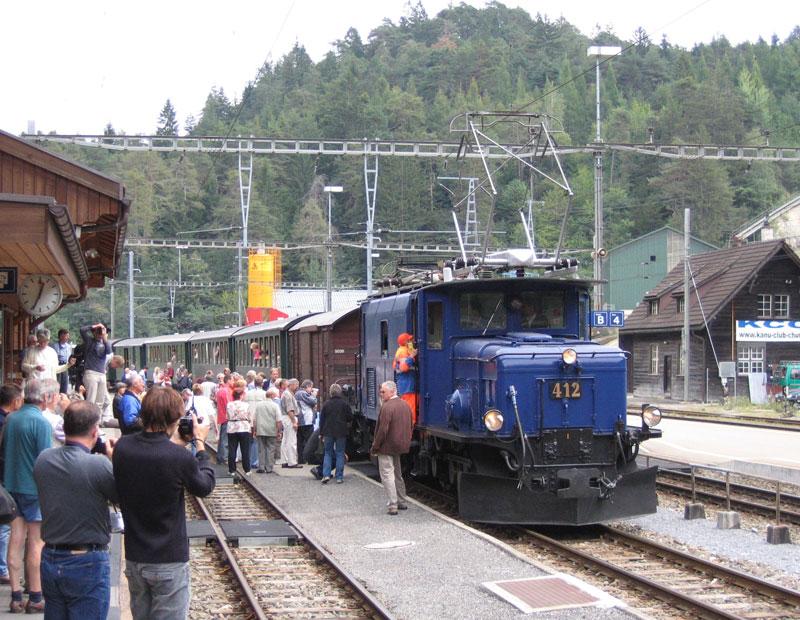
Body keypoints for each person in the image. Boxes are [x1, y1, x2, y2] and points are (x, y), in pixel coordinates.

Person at [113, 387, 214, 620]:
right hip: (169, 558)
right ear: (175, 418)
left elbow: (154, 455)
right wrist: (199, 444)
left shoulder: (123, 448)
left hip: (136, 555)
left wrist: (174, 441)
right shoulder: (179, 457)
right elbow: (204, 486)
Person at [34, 400, 119, 618]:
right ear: (95, 430)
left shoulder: (43, 460)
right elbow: (122, 498)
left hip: (51, 557)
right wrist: (113, 460)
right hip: (86, 560)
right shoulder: (98, 465)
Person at [2, 379, 53, 612]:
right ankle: (35, 596)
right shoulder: (41, 423)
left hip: (12, 487)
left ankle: (15, 596)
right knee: (36, 543)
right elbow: (44, 461)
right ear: (45, 398)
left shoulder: (11, 419)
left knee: (15, 539)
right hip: (33, 489)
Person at [371, 381, 413, 516]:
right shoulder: (406, 405)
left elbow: (382, 430)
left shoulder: (387, 407)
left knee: (387, 474)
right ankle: (402, 500)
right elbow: (410, 426)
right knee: (398, 474)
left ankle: (393, 504)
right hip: (400, 445)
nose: (381, 394)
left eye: (383, 392)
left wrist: (375, 446)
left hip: (386, 446)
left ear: (392, 391)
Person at [0, 385, 23, 587]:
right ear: (15, 402)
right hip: (4, 477)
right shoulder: (8, 422)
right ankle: (1, 568)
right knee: (5, 524)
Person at [319, 383, 353, 484]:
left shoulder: (326, 404)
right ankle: (339, 477)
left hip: (328, 432)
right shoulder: (344, 404)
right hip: (341, 432)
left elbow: (322, 420)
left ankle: (326, 475)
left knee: (328, 453)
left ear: (330, 392)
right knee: (339, 453)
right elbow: (350, 417)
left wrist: (321, 433)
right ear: (340, 392)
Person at [79, 323, 113, 411]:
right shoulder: (90, 341)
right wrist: (93, 326)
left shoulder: (105, 343)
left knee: (100, 401)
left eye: (101, 331)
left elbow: (109, 351)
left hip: (102, 374)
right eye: (98, 331)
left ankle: (97, 421)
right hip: (91, 373)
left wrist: (105, 337)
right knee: (91, 400)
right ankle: (88, 420)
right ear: (93, 332)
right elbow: (82, 330)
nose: (99, 333)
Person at [253, 386, 283, 474]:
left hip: (260, 430)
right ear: (272, 396)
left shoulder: (258, 405)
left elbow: (254, 419)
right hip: (272, 430)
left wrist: (255, 430)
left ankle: (261, 467)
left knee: (261, 449)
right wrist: (279, 431)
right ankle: (269, 467)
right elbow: (278, 420)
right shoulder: (275, 406)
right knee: (271, 449)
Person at [226, 388, 253, 475]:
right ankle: (247, 469)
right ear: (241, 395)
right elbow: (250, 416)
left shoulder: (229, 405)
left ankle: (232, 470)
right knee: (245, 449)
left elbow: (227, 415)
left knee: (232, 449)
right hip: (244, 427)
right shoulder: (246, 405)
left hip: (232, 428)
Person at [394, 333, 418, 424]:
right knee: (410, 411)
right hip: (408, 385)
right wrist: (412, 356)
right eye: (409, 340)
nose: (411, 341)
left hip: (407, 385)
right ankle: (408, 430)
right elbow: (404, 368)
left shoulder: (403, 350)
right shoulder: (403, 352)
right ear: (405, 342)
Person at [280, 379, 301, 468]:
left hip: (285, 418)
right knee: (291, 440)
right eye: (296, 385)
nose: (297, 387)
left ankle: (285, 460)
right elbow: (290, 410)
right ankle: (292, 462)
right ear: (292, 385)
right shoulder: (288, 394)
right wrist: (294, 422)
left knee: (285, 440)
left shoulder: (285, 393)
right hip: (289, 418)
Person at [295, 380, 317, 463]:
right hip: (306, 420)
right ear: (307, 386)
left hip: (302, 420)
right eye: (311, 387)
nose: (311, 390)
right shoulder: (302, 393)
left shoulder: (298, 393)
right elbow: (313, 401)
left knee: (300, 441)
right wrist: (314, 395)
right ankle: (308, 459)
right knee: (309, 440)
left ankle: (301, 459)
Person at [40, 378, 66, 446]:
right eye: (58, 393)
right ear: (54, 396)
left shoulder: (34, 412)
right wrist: (68, 409)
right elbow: (77, 438)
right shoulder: (56, 420)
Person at [215, 374, 233, 464]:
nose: (233, 382)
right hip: (227, 417)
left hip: (222, 417)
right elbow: (229, 405)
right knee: (225, 440)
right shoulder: (227, 391)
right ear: (228, 380)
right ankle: (224, 458)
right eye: (232, 380)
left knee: (222, 438)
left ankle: (220, 456)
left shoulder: (220, 390)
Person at [50, 329, 73, 394]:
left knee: (64, 383)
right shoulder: (54, 346)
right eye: (66, 336)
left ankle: (63, 395)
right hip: (57, 365)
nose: (67, 338)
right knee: (57, 383)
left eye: (68, 336)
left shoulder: (69, 346)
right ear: (61, 336)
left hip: (66, 365)